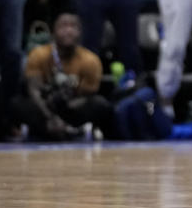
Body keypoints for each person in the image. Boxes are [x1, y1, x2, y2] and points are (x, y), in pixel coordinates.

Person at [10, 11, 115, 140]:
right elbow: (34, 90)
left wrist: (67, 104)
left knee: (101, 104)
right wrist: (51, 116)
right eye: (63, 26)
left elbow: (88, 95)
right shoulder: (38, 54)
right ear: (53, 32)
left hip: (73, 107)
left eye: (73, 26)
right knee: (17, 104)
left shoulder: (90, 60)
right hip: (45, 107)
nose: (68, 31)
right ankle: (49, 129)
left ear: (80, 32)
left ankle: (71, 129)